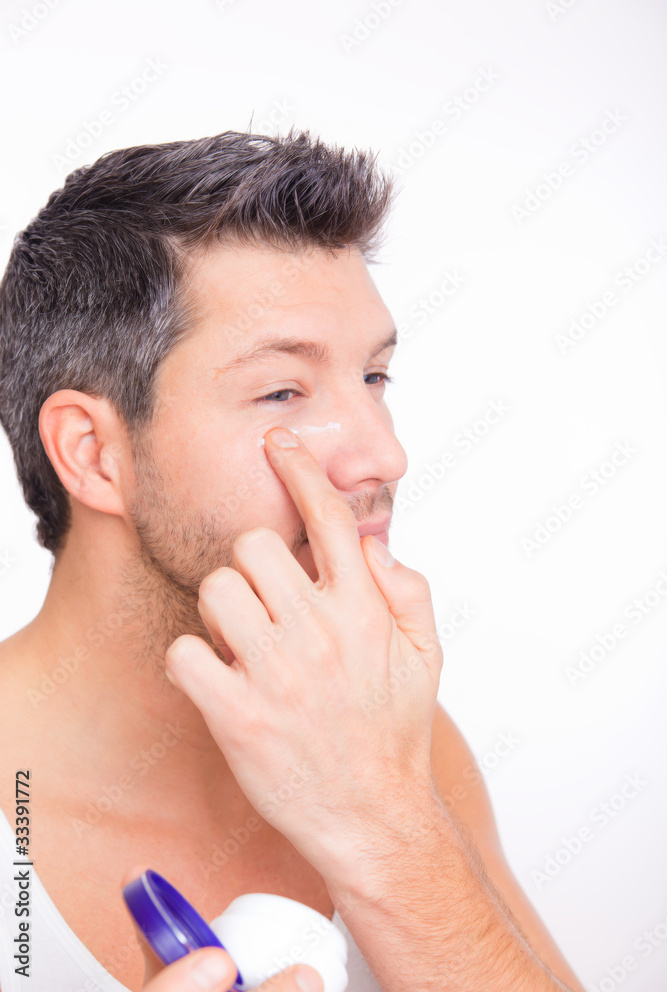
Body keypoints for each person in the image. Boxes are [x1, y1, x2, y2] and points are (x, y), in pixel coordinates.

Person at [0, 129, 585, 992]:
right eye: (281, 390)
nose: (383, 456)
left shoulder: (392, 734)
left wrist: (385, 822)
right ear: (92, 454)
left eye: (374, 378)